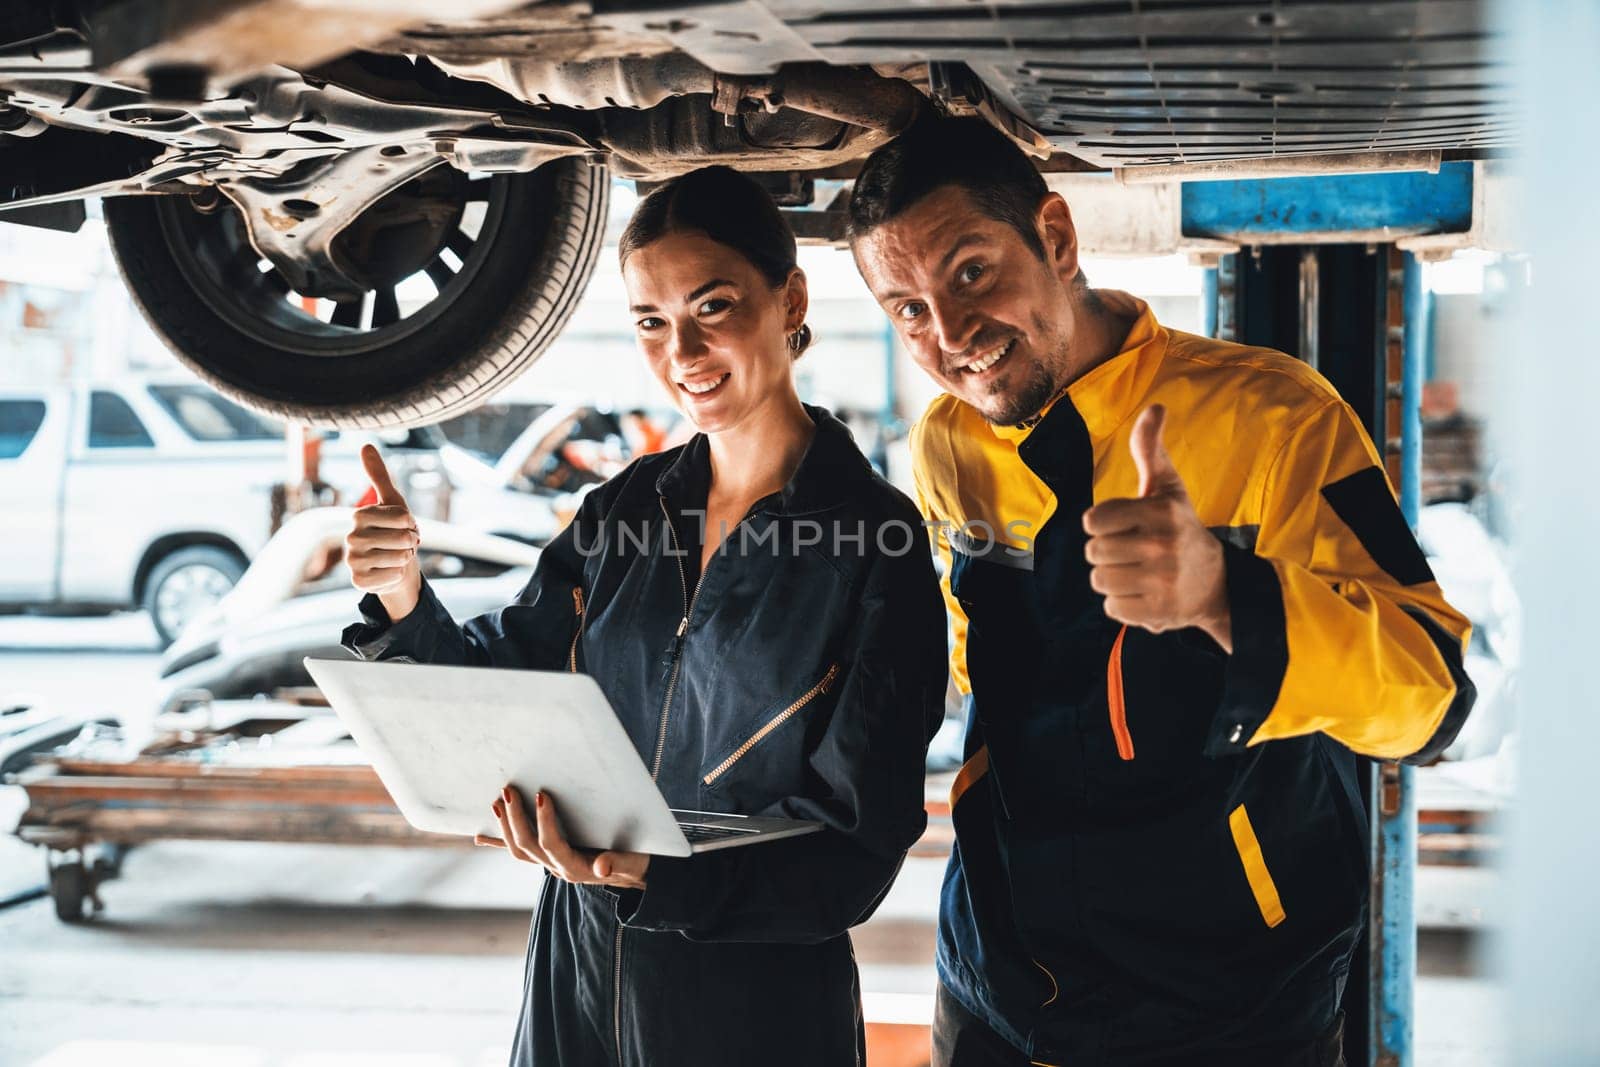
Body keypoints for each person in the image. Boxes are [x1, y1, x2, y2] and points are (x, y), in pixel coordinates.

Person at [847, 116, 1476, 1067]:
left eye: (972, 272)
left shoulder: (1275, 417)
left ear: (1055, 238)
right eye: (908, 308)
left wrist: (1228, 594)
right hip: (999, 983)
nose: (950, 335)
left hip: (1228, 1002)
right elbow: (983, 680)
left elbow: (1434, 692)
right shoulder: (949, 442)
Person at [341, 165, 947, 1066]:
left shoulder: (872, 542)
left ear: (790, 299)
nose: (683, 353)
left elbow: (858, 849)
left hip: (753, 1004)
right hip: (578, 975)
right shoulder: (622, 512)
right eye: (652, 323)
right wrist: (401, 596)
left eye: (713, 307)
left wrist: (656, 877)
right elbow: (503, 687)